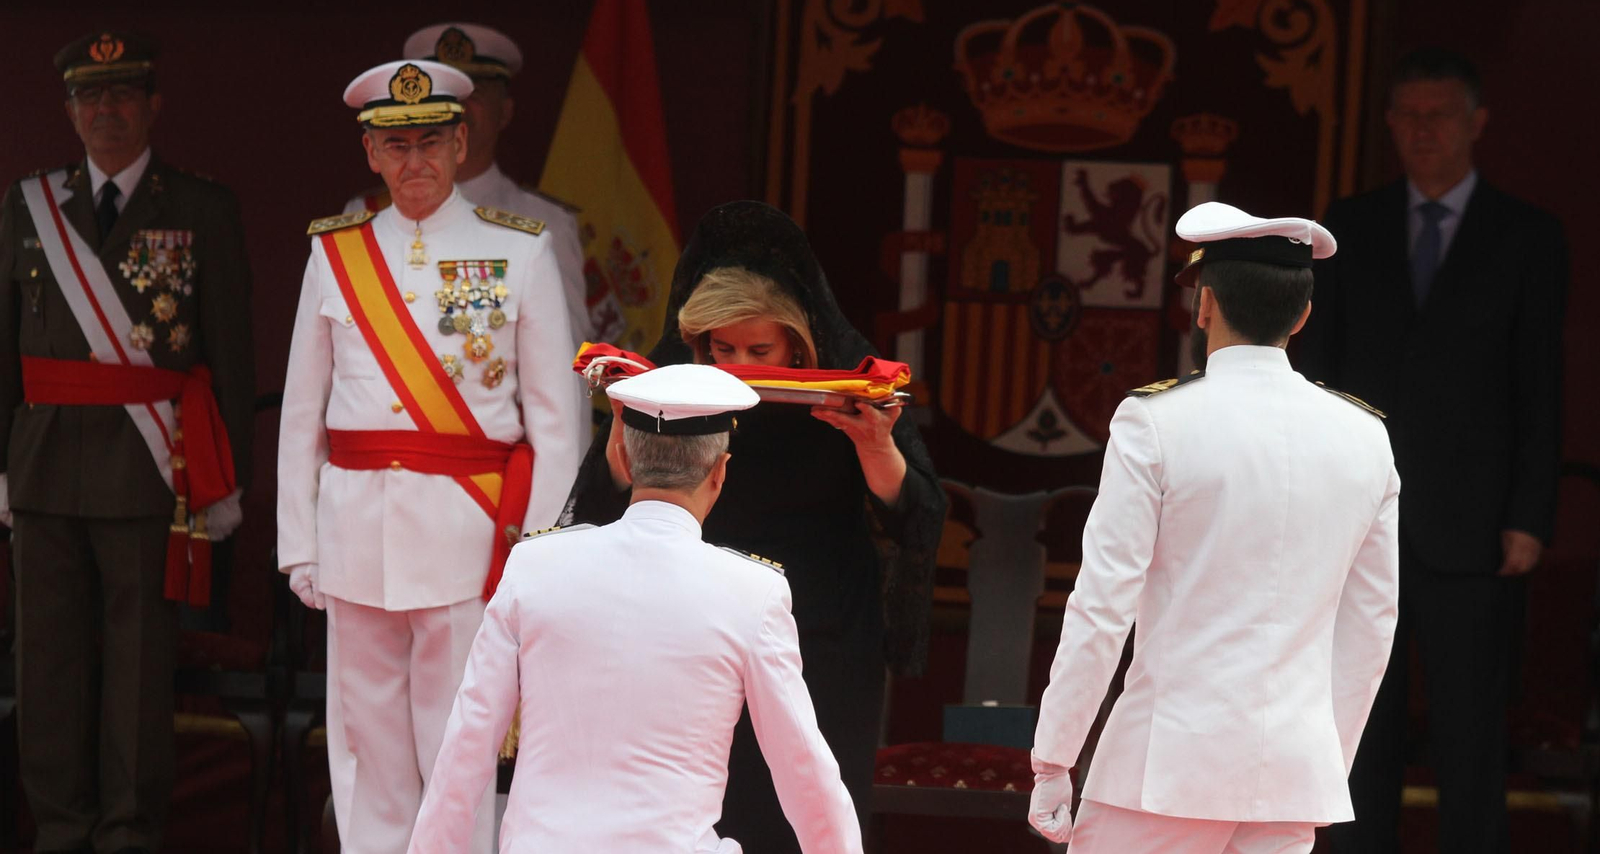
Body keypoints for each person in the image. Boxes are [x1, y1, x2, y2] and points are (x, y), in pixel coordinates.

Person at [563, 200, 944, 853]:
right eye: (723, 349)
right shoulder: (671, 373)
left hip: (819, 636)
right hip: (695, 628)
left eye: (760, 349)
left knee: (807, 821)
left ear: (797, 338)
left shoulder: (850, 371)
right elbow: (598, 505)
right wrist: (627, 418)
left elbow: (917, 515)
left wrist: (875, 445)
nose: (738, 363)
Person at [1028, 201, 1401, 854]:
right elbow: (1370, 626)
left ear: (1203, 305)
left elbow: (1102, 606)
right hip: (1291, 769)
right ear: (1302, 315)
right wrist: (1320, 762)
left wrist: (1054, 755)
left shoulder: (1156, 420)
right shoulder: (1366, 437)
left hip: (1164, 765)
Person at [277, 58, 581, 854]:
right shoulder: (334, 254)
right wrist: (298, 542)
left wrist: (537, 547)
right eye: (395, 145)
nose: (414, 162)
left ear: (460, 141)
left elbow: (557, 419)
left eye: (431, 142)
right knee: (364, 745)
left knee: (458, 741)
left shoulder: (521, 251)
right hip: (354, 529)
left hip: (470, 532)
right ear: (371, 154)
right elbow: (301, 415)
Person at [409, 363, 863, 854]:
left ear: (623, 455)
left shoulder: (534, 565)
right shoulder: (752, 591)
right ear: (720, 472)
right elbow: (803, 769)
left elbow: (467, 745)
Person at [1301, 48, 1568, 854]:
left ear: (1476, 123)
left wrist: (1529, 513)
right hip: (1359, 518)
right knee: (1357, 730)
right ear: (1388, 124)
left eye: (1438, 115)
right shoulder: (1347, 226)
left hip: (1476, 523)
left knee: (1469, 731)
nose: (1421, 130)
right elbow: (1316, 374)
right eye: (1407, 115)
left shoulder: (1527, 235)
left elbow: (1541, 383)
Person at [0, 30, 255, 854]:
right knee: (47, 668)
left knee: (140, 671)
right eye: (88, 95)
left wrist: (228, 483)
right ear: (69, 109)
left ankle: (127, 836)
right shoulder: (26, 205)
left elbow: (232, 353)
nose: (104, 110)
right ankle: (62, 830)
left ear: (153, 105)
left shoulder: (201, 208)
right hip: (41, 464)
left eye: (121, 94)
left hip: (154, 470)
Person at [344, 23, 588, 370]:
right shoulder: (366, 213)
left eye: (473, 96)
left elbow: (567, 362)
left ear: (504, 111)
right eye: (443, 99)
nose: (457, 109)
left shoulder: (546, 224)